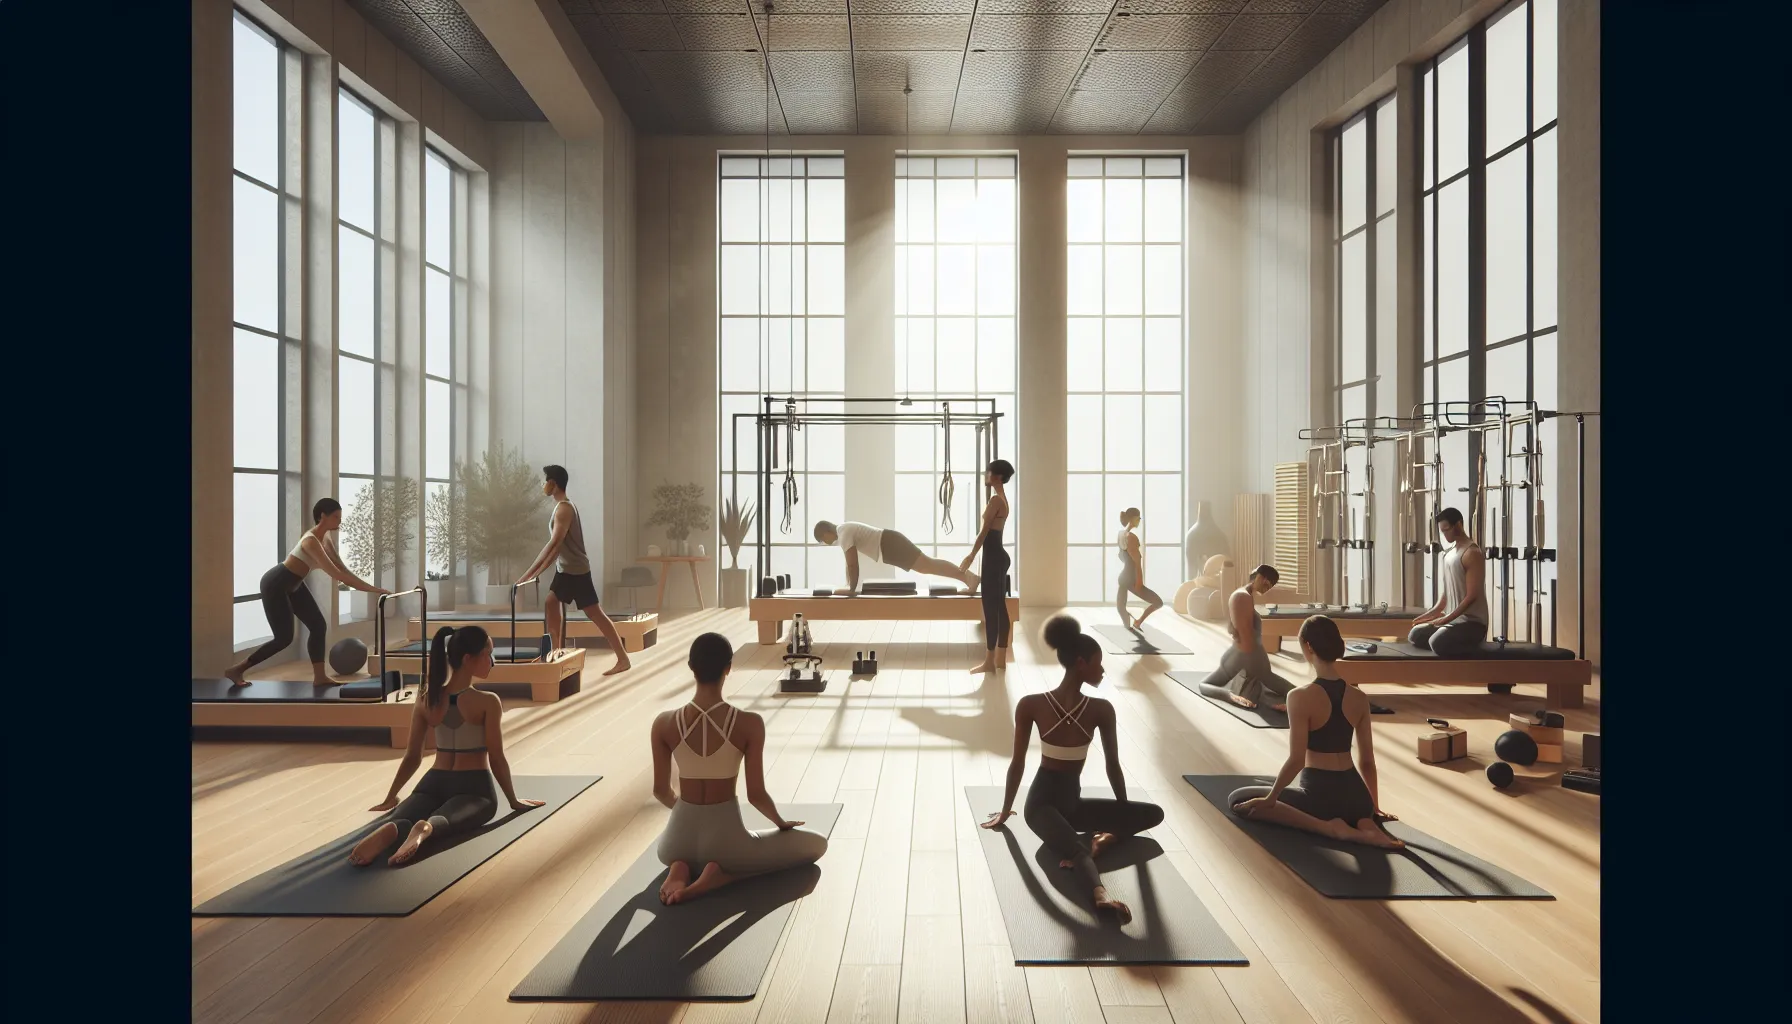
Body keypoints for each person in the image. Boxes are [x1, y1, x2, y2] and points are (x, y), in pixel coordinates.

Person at [981, 615, 1165, 923]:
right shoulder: (1031, 705)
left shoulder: (1102, 710)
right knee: (1078, 850)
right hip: (1041, 807)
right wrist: (1005, 811)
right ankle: (1101, 896)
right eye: (1098, 663)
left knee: (1151, 814)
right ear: (1081, 663)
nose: (1103, 670)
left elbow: (1113, 766)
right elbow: (1018, 764)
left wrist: (1122, 814)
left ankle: (1101, 840)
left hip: (1072, 805)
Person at [650, 633, 828, 904]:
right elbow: (755, 795)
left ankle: (680, 867)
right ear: (728, 668)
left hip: (675, 843)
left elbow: (661, 791)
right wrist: (780, 823)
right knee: (817, 845)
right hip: (728, 844)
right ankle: (722, 877)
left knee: (682, 852)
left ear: (691, 667)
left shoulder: (663, 724)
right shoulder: (749, 724)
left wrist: (690, 816)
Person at [351, 626, 544, 867]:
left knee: (404, 815)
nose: (492, 661)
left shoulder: (426, 698)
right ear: (468, 659)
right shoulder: (487, 702)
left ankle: (395, 826)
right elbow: (496, 756)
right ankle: (427, 828)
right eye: (488, 654)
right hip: (473, 786)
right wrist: (513, 800)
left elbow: (413, 756)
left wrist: (391, 797)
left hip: (432, 783)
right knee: (449, 817)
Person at [1227, 616, 1403, 849]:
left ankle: (1331, 829)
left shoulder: (1299, 697)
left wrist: (1271, 799)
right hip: (1358, 797)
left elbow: (1297, 759)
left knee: (1239, 799)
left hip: (1321, 796)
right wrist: (1373, 807)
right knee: (1357, 813)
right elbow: (1367, 761)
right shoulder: (1359, 698)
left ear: (1308, 646)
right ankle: (1365, 824)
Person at [225, 498, 388, 688]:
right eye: (336, 517)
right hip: (275, 584)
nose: (339, 521)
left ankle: (320, 677)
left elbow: (342, 568)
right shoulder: (311, 541)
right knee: (284, 638)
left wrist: (373, 589)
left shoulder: (324, 538)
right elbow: (337, 575)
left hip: (294, 583)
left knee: (318, 626)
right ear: (323, 516)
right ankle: (237, 669)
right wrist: (375, 590)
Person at [517, 465, 631, 676]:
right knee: (552, 601)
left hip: (576, 572)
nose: (543, 484)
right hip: (566, 570)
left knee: (594, 613)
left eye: (546, 480)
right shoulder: (560, 507)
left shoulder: (564, 509)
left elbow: (554, 543)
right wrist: (536, 573)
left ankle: (622, 658)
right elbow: (556, 549)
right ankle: (556, 652)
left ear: (554, 483)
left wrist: (528, 574)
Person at [1192, 564, 1295, 712]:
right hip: (1242, 655)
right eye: (1267, 582)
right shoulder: (1241, 597)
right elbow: (1244, 635)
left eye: (1271, 585)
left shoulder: (1246, 595)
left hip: (1251, 655)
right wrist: (1252, 669)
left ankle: (1299, 700)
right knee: (1205, 685)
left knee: (1279, 685)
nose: (1269, 587)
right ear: (1259, 577)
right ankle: (1230, 696)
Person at [813, 520, 980, 594]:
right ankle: (968, 578)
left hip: (890, 544)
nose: (826, 544)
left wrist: (850, 590)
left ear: (826, 532)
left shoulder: (844, 533)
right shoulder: (843, 531)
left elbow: (852, 565)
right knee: (927, 566)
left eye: (823, 541)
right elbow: (849, 564)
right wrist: (849, 585)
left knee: (928, 565)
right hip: (889, 545)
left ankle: (968, 578)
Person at [1408, 507, 1489, 656]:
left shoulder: (1472, 553)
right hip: (1454, 622)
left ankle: (1480, 655)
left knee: (1437, 642)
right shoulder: (1448, 554)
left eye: (1447, 530)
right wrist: (1426, 617)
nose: (1445, 535)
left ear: (1458, 525)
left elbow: (1472, 597)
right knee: (1415, 634)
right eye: (1442, 531)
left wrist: (1445, 620)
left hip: (1472, 624)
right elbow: (1445, 598)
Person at [960, 459, 1015, 674]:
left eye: (989, 472)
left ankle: (990, 662)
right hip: (997, 557)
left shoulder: (995, 501)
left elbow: (983, 533)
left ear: (998, 477)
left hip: (993, 559)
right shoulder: (1002, 499)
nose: (986, 474)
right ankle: (998, 660)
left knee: (992, 611)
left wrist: (971, 556)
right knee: (999, 609)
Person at [1114, 508, 1164, 632]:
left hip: (1123, 577)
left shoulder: (1121, 534)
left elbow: (1121, 556)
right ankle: (1137, 622)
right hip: (1130, 579)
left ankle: (1129, 624)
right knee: (1158, 602)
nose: (1139, 520)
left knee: (1121, 606)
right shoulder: (1131, 538)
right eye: (1138, 518)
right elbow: (1137, 563)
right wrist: (1139, 581)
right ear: (1132, 519)